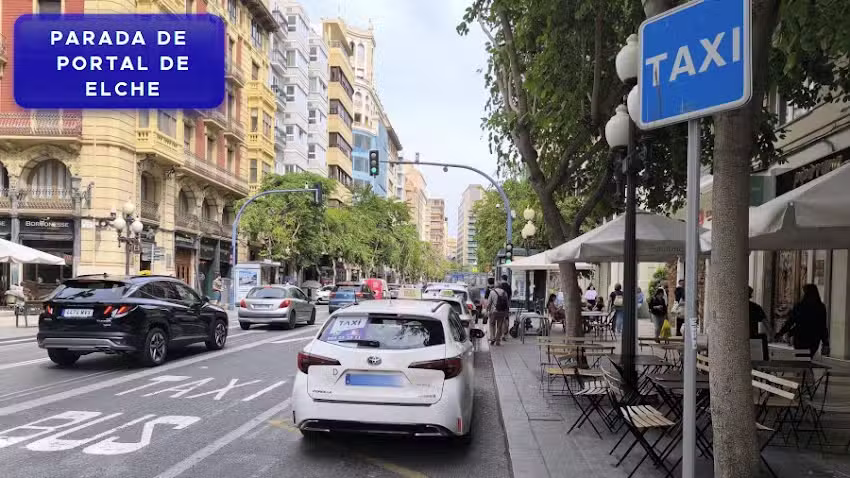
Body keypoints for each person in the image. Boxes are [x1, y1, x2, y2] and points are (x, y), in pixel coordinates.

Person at [777, 284, 829, 358]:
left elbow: (790, 321)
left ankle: (805, 369)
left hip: (800, 338)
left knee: (801, 358)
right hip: (814, 339)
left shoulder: (799, 306)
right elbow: (823, 326)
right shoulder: (820, 307)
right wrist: (825, 343)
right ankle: (806, 369)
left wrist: (781, 333)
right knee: (808, 358)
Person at [487, 279, 510, 346]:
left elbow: (489, 303)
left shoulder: (492, 292)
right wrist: (506, 312)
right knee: (499, 326)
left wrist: (487, 310)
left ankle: (492, 338)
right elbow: (507, 304)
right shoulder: (504, 292)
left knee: (492, 324)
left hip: (494, 311)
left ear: (495, 286)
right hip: (502, 311)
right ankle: (498, 340)